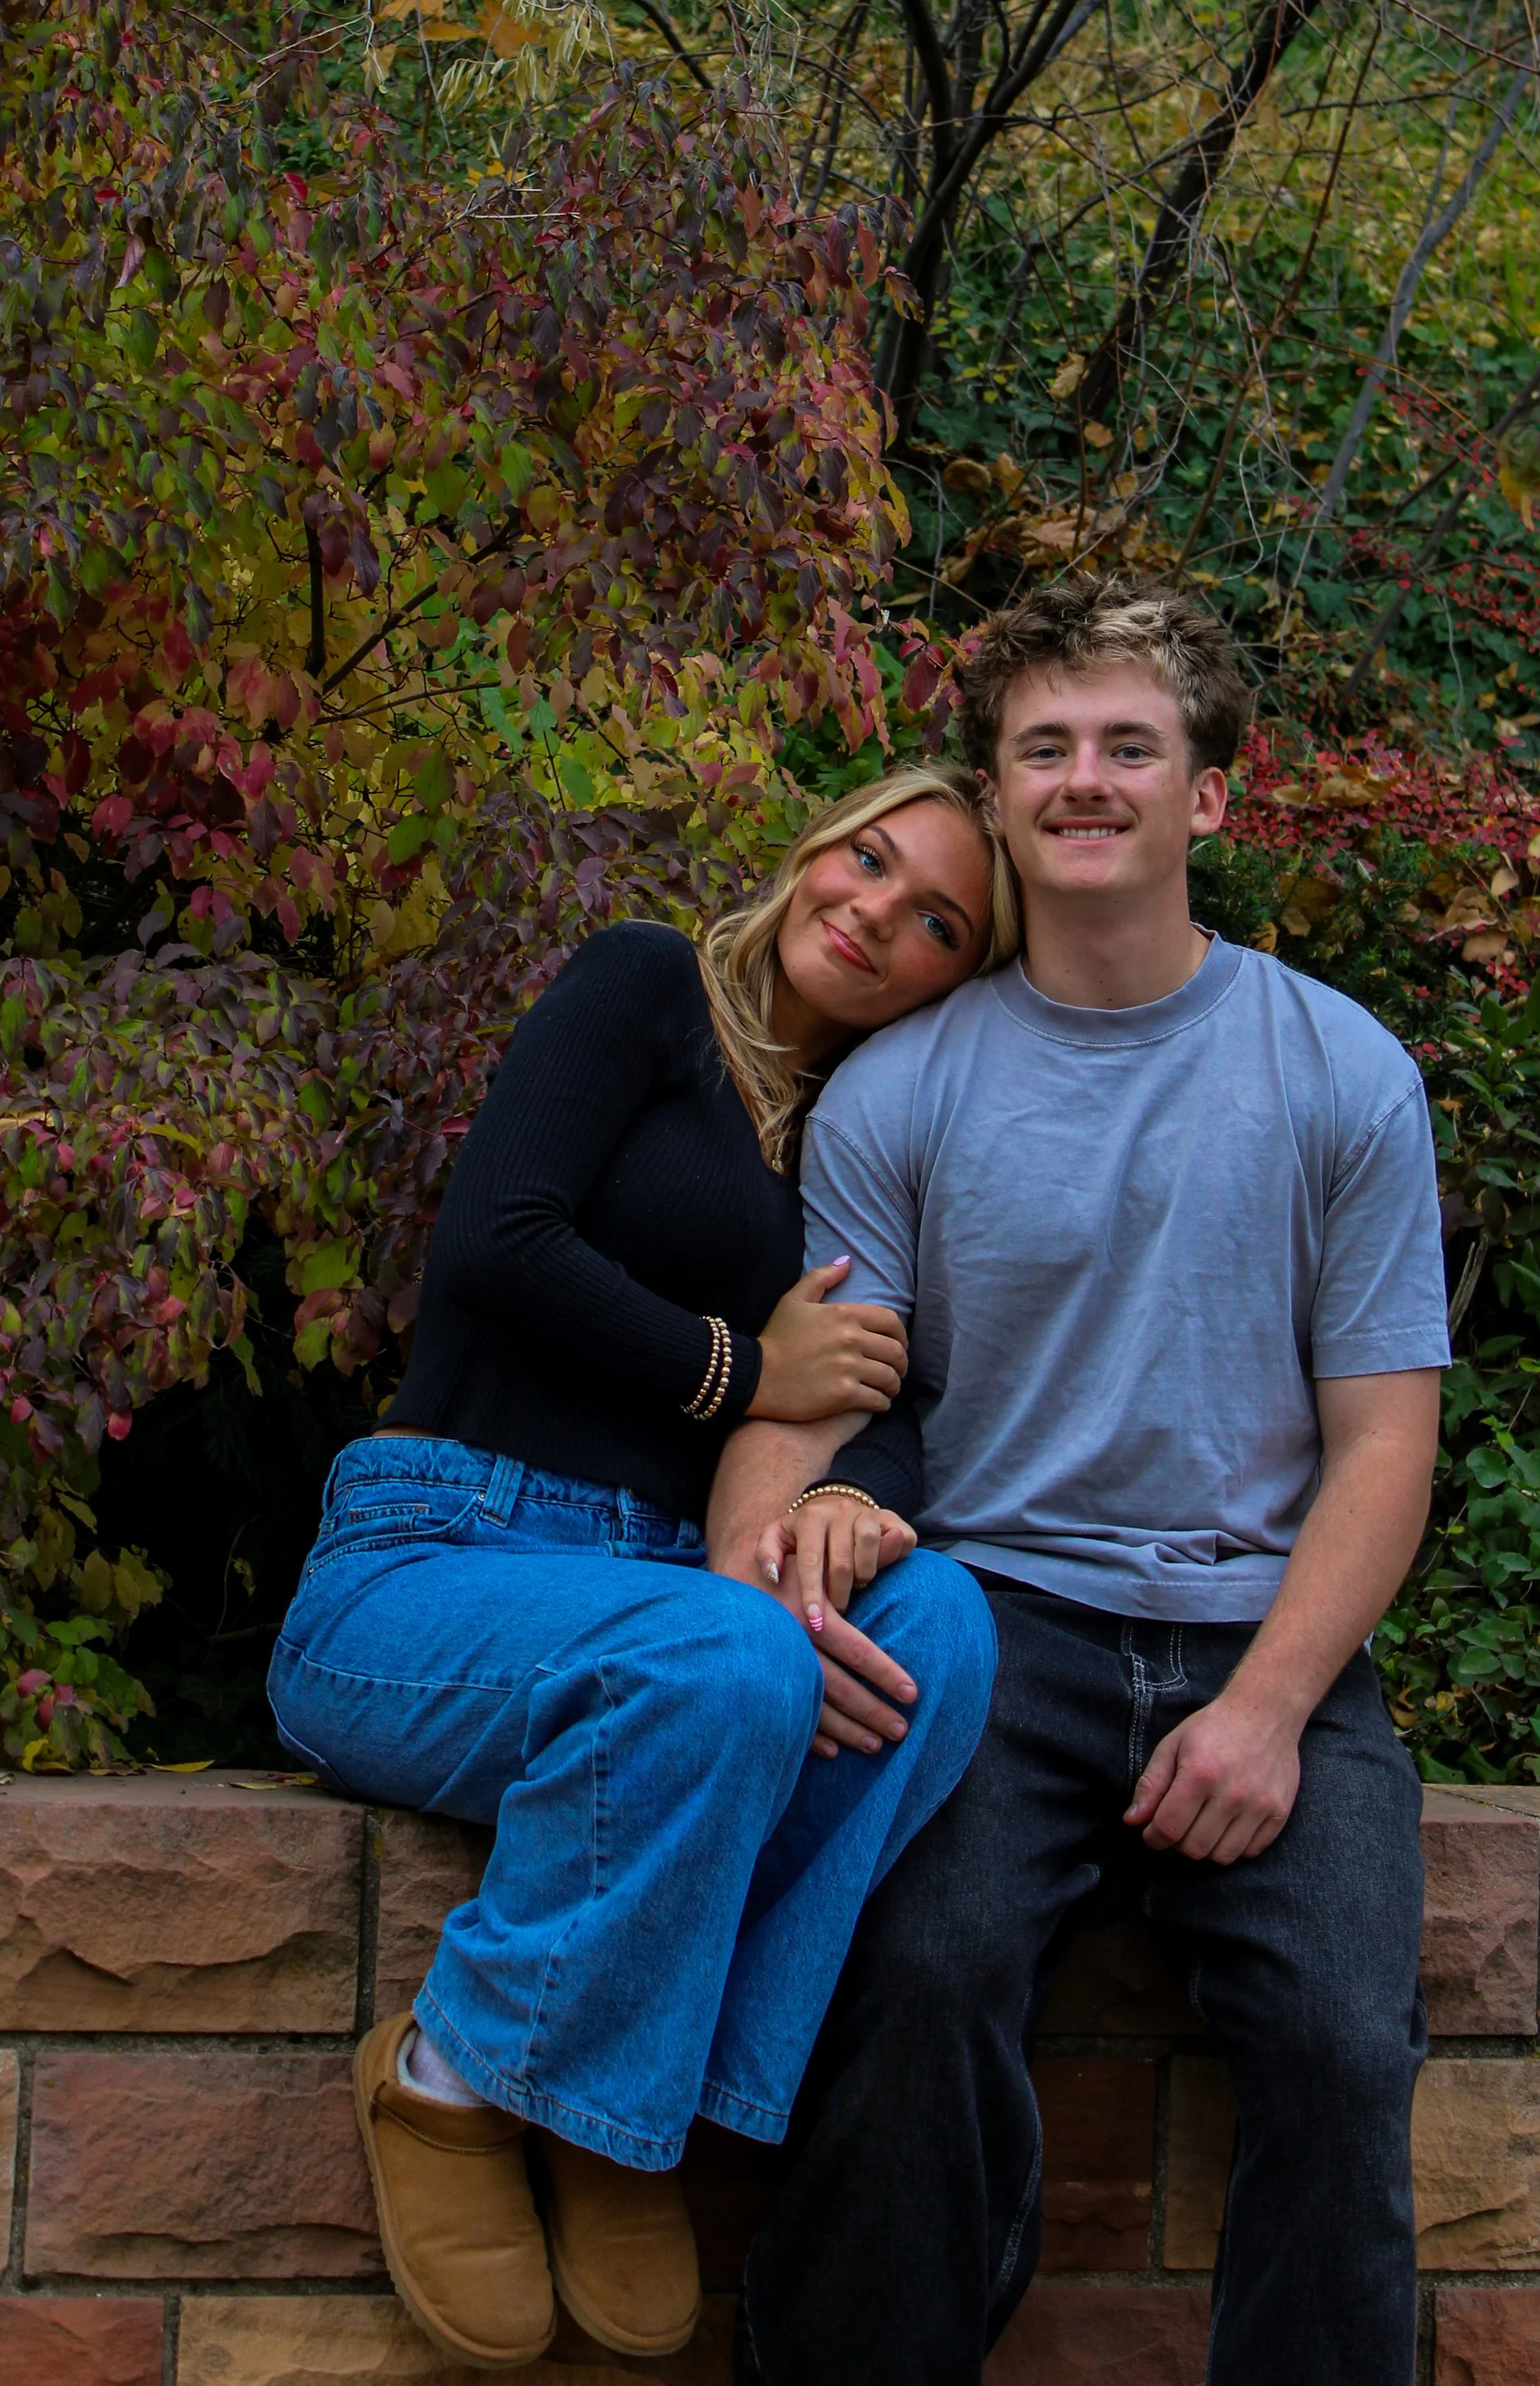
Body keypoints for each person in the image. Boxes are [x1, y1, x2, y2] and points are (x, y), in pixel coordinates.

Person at [711, 583, 1452, 2386]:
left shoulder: (1336, 1071)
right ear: (1001, 785)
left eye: (1130, 745)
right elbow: (815, 1405)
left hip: (1256, 1633)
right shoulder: (902, 1093)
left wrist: (1271, 1710)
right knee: (910, 1991)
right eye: (1042, 748)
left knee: (1347, 2050)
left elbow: (1382, 1441)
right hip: (996, 1624)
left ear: (1210, 796)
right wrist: (760, 1576)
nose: (1083, 779)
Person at [266, 766, 1014, 2372]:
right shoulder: (641, 986)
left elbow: (870, 1401)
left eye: (935, 917)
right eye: (868, 859)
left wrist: (852, 1507)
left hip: (659, 1604)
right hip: (433, 1567)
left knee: (941, 1620)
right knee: (728, 1651)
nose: (875, 912)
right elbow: (499, 1245)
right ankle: (459, 2078)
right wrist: (746, 1376)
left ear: (958, 975)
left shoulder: (859, 1145)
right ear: (817, 846)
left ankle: (625, 2102)